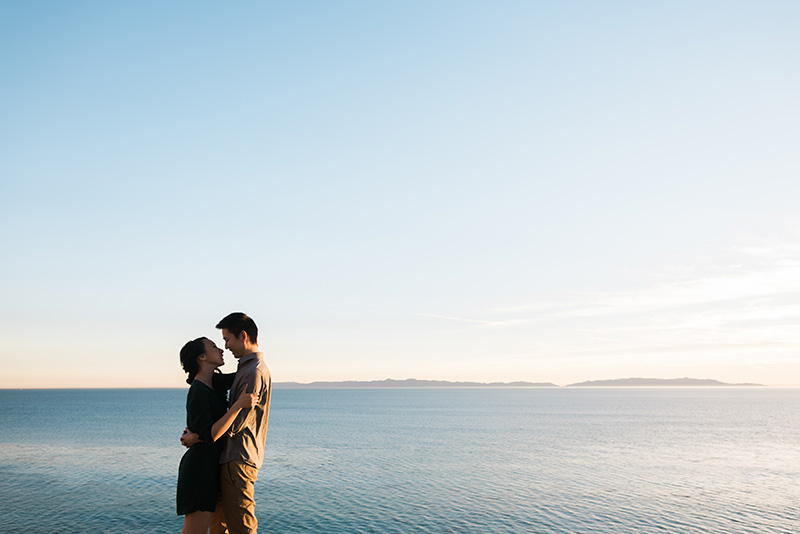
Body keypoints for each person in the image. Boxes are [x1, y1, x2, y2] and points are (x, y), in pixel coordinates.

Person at [182, 313, 272, 534]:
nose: (224, 347)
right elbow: (215, 425)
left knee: (238, 526)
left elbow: (234, 425)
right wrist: (200, 435)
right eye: (217, 344)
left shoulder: (251, 371)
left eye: (226, 340)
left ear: (242, 336)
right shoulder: (209, 384)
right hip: (212, 463)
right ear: (202, 358)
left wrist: (197, 437)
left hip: (235, 458)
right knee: (213, 528)